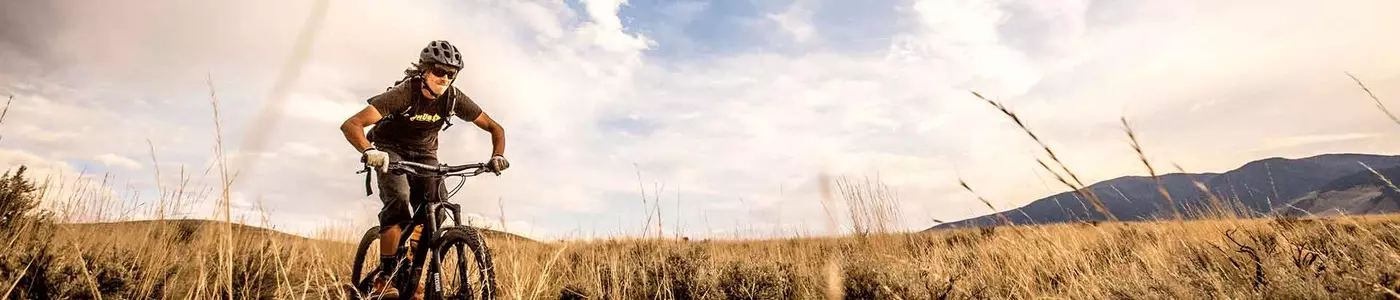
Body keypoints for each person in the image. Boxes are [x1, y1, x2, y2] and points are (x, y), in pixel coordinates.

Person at [339, 40, 509, 299]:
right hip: (390, 148)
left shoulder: (453, 98)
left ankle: (414, 273)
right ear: (424, 70)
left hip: (425, 154)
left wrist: (497, 155)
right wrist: (369, 151)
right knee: (399, 199)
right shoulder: (404, 93)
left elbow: (496, 128)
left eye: (451, 74)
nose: (444, 78)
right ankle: (386, 276)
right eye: (439, 71)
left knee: (437, 208)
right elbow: (352, 124)